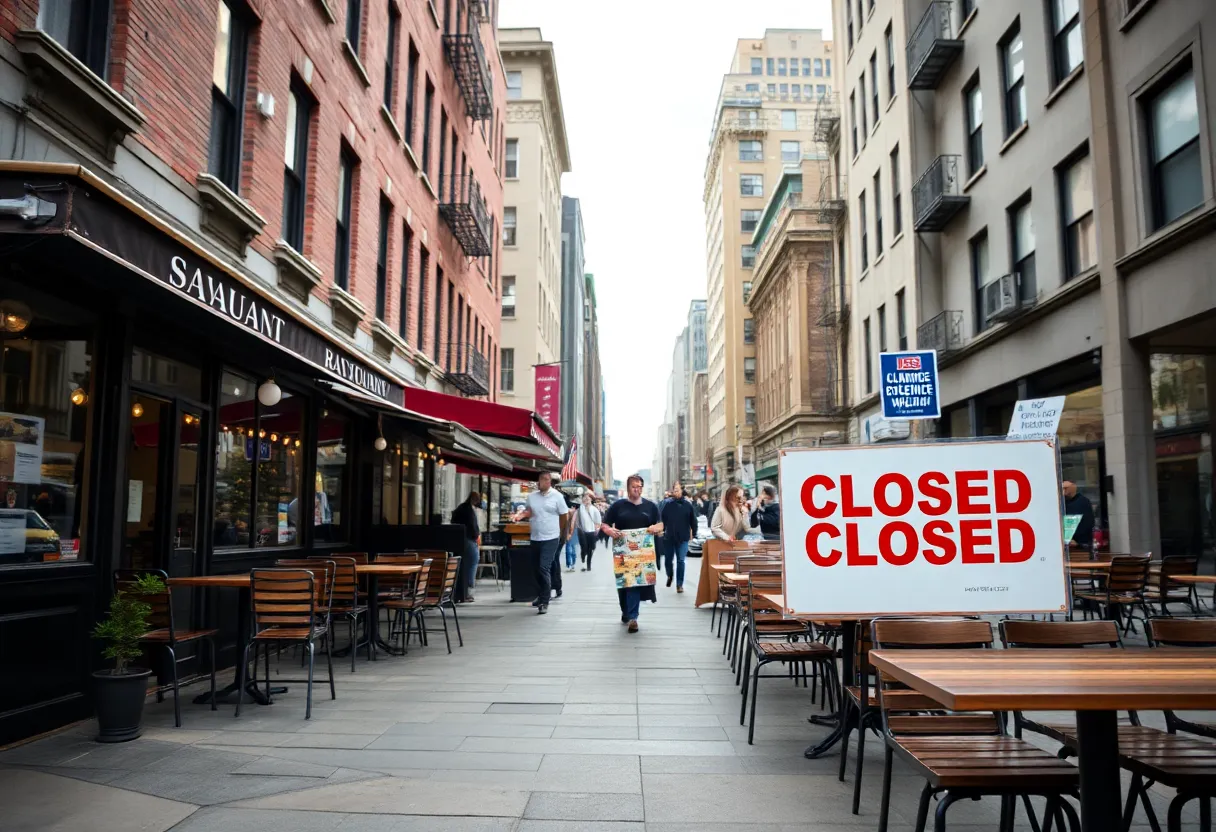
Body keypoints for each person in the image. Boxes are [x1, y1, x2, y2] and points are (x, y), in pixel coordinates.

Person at [601, 474, 663, 633]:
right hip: (623, 552)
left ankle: (633, 617)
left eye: (640, 487)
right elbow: (604, 524)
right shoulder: (618, 506)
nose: (637, 489)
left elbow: (661, 524)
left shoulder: (651, 506)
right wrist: (609, 530)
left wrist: (656, 528)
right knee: (624, 585)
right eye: (634, 486)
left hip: (643, 553)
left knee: (635, 584)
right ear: (628, 488)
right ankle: (626, 611)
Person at [511, 472, 570, 614]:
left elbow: (564, 515)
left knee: (544, 567)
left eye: (548, 480)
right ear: (538, 482)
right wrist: (520, 515)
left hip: (551, 538)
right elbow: (530, 512)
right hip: (536, 537)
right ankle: (542, 594)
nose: (545, 482)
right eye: (543, 479)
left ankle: (544, 601)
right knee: (535, 569)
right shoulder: (532, 497)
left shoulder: (557, 496)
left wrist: (562, 533)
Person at [659, 481, 698, 592]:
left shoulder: (687, 505)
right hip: (669, 537)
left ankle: (679, 584)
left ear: (682, 491)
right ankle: (670, 575)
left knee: (681, 560)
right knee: (668, 560)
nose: (675, 491)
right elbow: (662, 519)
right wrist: (661, 530)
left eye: (677, 489)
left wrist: (694, 533)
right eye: (674, 490)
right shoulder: (667, 504)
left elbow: (693, 520)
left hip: (683, 537)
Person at [450, 490, 482, 601]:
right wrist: (477, 535)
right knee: (473, 562)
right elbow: (473, 528)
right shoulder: (469, 510)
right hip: (469, 540)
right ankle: (468, 591)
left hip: (458, 540)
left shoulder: (461, 507)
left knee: (462, 565)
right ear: (475, 499)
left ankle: (460, 591)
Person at [1062, 480, 1095, 551]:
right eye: (1062, 488)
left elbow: (1088, 523)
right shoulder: (1061, 502)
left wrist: (1078, 542)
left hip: (1080, 544)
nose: (1064, 491)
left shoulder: (1083, 502)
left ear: (1073, 487)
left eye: (1066, 488)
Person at [576, 492, 602, 571]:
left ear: (591, 499)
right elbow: (577, 520)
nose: (587, 500)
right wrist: (579, 528)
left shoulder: (594, 509)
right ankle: (583, 561)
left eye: (588, 498)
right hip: (582, 532)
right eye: (585, 498)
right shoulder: (580, 508)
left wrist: (597, 529)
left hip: (591, 532)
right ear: (582, 500)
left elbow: (598, 521)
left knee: (590, 549)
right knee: (584, 548)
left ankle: (588, 565)